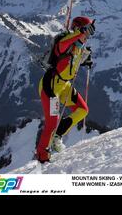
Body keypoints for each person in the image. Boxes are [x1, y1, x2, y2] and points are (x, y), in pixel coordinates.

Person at [36, 16, 95, 163]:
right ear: (79, 29)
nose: (88, 36)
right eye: (87, 31)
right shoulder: (65, 42)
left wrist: (85, 60)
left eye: (91, 32)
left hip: (64, 85)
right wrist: (77, 34)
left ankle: (57, 136)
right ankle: (43, 157)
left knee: (83, 110)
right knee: (52, 122)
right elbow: (61, 47)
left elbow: (72, 62)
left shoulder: (79, 46)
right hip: (50, 87)